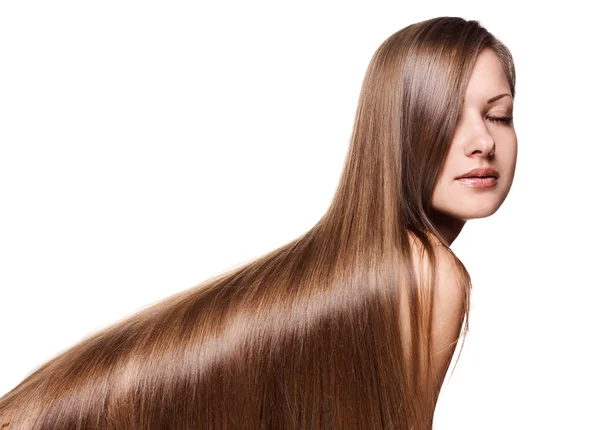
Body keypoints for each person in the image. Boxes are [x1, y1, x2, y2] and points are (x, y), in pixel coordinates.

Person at [0, 16, 517, 430]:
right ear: (400, 129)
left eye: (499, 114)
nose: (483, 141)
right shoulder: (429, 274)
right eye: (448, 115)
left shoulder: (358, 271)